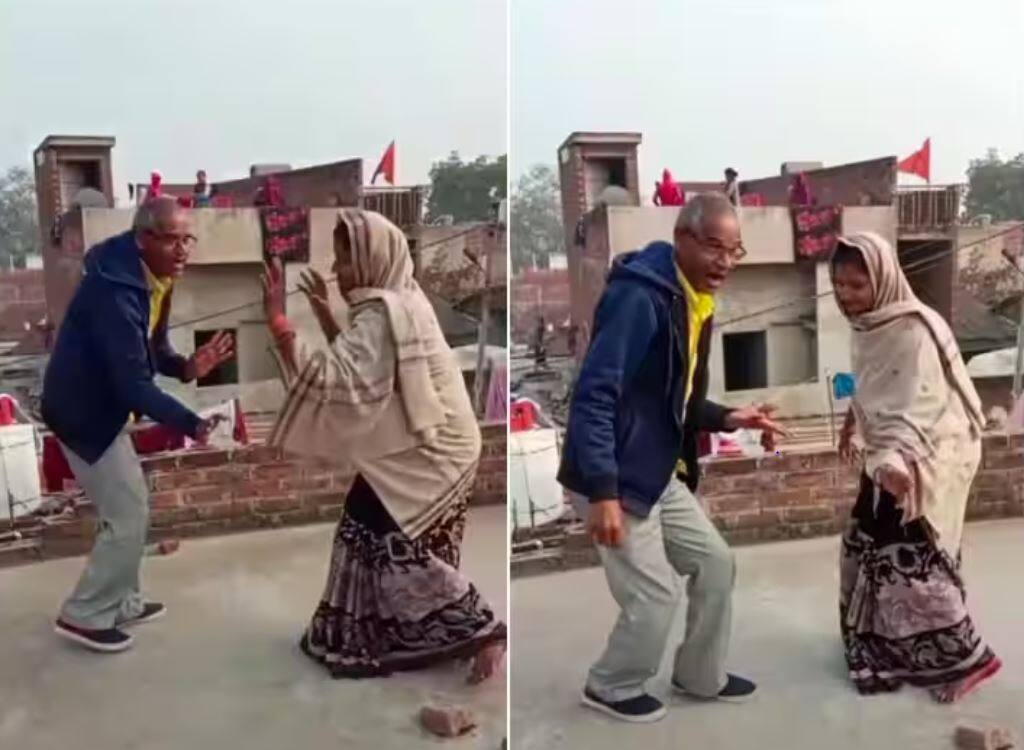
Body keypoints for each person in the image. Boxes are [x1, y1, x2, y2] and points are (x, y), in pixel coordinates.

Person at [557, 193, 786, 723]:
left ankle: (698, 674)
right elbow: (594, 394)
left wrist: (731, 418)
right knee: (656, 593)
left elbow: (670, 399)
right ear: (682, 238)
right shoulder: (642, 299)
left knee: (715, 563)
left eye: (735, 251)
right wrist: (603, 491)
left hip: (657, 469)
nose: (725, 262)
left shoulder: (690, 300)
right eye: (713, 248)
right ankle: (610, 684)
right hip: (615, 474)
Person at [262, 208, 506, 682]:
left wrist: (277, 322)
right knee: (392, 535)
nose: (338, 272)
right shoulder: (398, 298)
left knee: (381, 539)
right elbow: (366, 375)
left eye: (346, 261)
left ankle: (483, 630)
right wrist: (323, 314)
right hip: (436, 442)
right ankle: (409, 636)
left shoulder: (384, 310)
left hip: (433, 450)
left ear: (375, 258)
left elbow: (336, 381)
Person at [42, 196, 234, 653]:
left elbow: (154, 350)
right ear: (143, 238)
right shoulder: (115, 291)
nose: (183, 249)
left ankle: (121, 600)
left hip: (101, 407)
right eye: (172, 239)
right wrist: (192, 423)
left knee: (132, 505)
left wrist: (188, 367)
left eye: (188, 238)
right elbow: (132, 384)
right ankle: (84, 614)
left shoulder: (151, 279)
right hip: (84, 414)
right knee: (127, 513)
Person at [832, 232, 1000, 703]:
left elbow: (918, 404)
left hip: (929, 451)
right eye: (840, 284)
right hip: (887, 453)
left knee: (912, 561)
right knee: (862, 544)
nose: (846, 295)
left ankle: (963, 660)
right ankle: (884, 645)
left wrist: (893, 461)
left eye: (857, 285)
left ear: (882, 280)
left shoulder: (914, 330)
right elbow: (874, 388)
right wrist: (854, 424)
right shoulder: (868, 326)